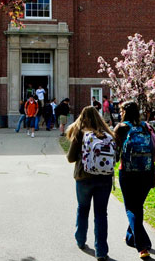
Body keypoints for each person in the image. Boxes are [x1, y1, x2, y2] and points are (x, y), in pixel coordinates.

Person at [66, 106, 115, 261]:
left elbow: (70, 158)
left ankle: (81, 240)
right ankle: (101, 251)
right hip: (104, 178)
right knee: (101, 213)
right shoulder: (107, 134)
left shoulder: (80, 133)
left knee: (83, 208)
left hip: (83, 177)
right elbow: (115, 157)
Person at [114, 101, 155, 259]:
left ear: (124, 111)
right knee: (137, 207)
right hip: (146, 171)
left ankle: (142, 245)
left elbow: (116, 151)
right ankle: (130, 236)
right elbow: (154, 147)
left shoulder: (121, 128)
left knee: (131, 208)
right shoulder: (146, 126)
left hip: (128, 172)